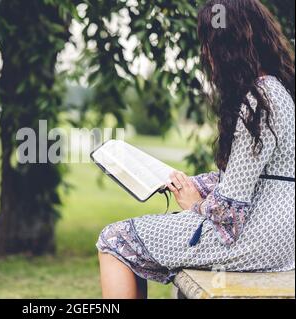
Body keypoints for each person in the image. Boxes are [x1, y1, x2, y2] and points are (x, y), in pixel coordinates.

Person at [96, 0, 295, 299]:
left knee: (114, 239)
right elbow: (256, 177)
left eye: (208, 43)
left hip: (259, 241)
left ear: (227, 47)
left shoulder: (257, 101)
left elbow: (228, 214)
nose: (205, 54)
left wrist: (193, 205)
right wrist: (192, 183)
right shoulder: (275, 90)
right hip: (279, 237)